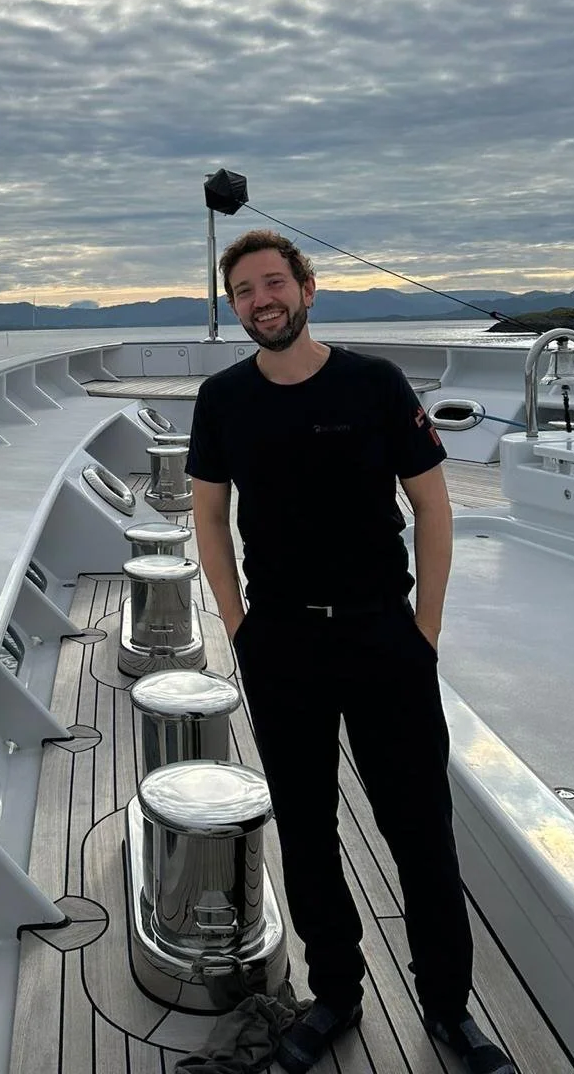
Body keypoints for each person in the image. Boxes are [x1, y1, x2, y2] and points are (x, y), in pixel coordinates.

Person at [185, 228, 518, 1074]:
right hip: (282, 641)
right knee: (307, 830)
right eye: (244, 293)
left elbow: (433, 509)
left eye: (272, 283)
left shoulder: (374, 384)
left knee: (420, 832)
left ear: (306, 288)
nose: (260, 301)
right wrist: (239, 626)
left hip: (382, 634)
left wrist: (426, 631)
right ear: (235, 309)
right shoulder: (223, 399)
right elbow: (208, 518)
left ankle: (448, 1010)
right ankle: (334, 994)